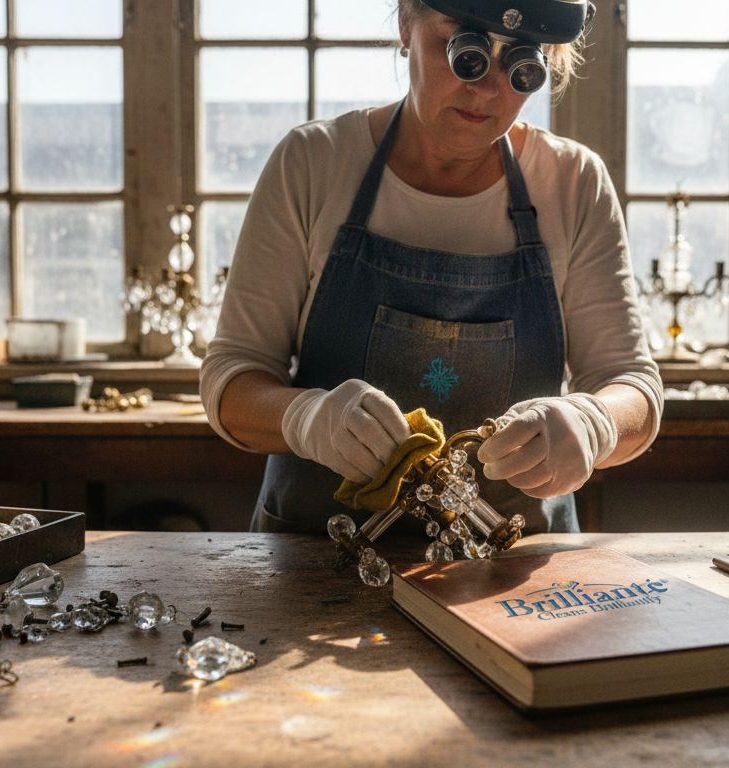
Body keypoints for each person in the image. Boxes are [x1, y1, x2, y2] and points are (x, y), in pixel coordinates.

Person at [200, 0, 662, 534]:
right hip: (316, 559)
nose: (486, 89)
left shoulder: (573, 181)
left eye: (520, 63)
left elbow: (632, 386)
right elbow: (232, 380)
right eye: (464, 50)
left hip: (511, 565)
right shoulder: (313, 162)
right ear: (406, 22)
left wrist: (594, 423)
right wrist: (305, 418)